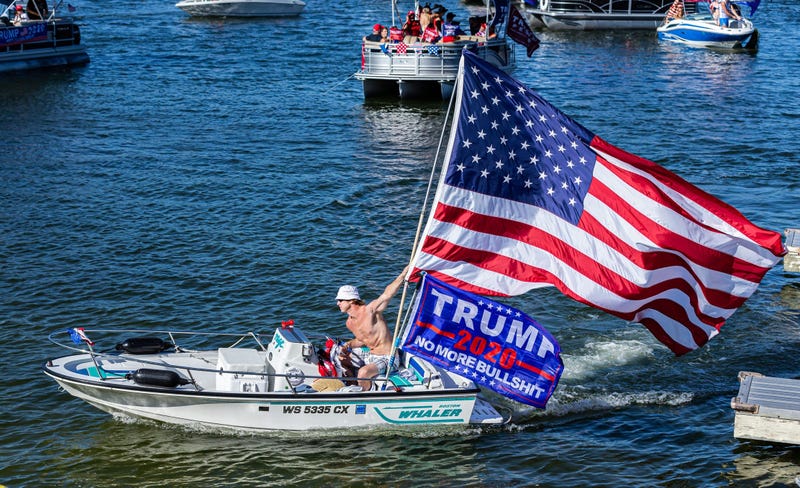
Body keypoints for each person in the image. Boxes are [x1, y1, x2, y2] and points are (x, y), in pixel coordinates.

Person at [335, 266, 408, 391]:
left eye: (340, 300)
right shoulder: (349, 322)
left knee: (363, 372)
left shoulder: (371, 311)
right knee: (340, 359)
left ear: (351, 300)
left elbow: (387, 294)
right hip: (370, 354)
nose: (338, 303)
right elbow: (362, 340)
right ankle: (354, 386)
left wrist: (403, 274)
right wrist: (349, 345)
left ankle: (365, 394)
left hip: (388, 358)